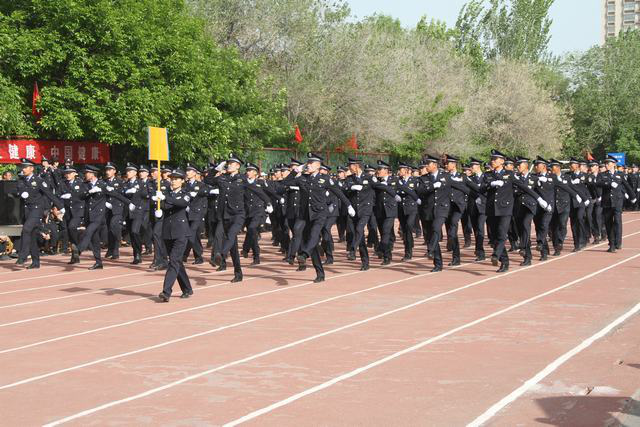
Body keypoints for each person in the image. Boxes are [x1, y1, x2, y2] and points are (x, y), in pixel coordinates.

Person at [14, 158, 64, 269]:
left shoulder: (38, 180)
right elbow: (17, 191)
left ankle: (23, 255)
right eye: (22, 167)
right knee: (31, 236)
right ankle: (36, 262)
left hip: (36, 210)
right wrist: (21, 193)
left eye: (25, 167)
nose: (23, 169)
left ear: (31, 168)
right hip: (26, 211)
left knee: (26, 229)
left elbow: (50, 194)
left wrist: (61, 207)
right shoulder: (21, 180)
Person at [156, 169, 193, 302]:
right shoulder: (166, 193)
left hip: (181, 232)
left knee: (173, 261)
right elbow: (164, 206)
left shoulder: (186, 193)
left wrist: (166, 198)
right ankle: (187, 288)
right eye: (172, 178)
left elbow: (182, 203)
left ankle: (166, 291)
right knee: (176, 262)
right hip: (167, 232)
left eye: (177, 178)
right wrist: (158, 206)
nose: (173, 180)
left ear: (182, 181)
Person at [597, 155, 636, 252]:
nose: (606, 165)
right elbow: (597, 183)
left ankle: (618, 242)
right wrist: (608, 184)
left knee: (618, 222)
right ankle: (612, 244)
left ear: (614, 164)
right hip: (607, 202)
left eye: (608, 163)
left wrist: (633, 197)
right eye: (606, 163)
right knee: (608, 223)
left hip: (618, 202)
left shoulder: (620, 174)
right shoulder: (602, 174)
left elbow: (627, 186)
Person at [76, 165, 107, 270]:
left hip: (99, 215)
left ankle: (79, 250)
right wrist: (89, 192)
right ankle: (99, 262)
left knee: (88, 231)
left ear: (93, 174)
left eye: (87, 173)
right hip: (89, 215)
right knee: (95, 240)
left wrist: (130, 203)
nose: (85, 175)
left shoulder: (102, 184)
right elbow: (80, 196)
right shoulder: (85, 185)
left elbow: (115, 194)